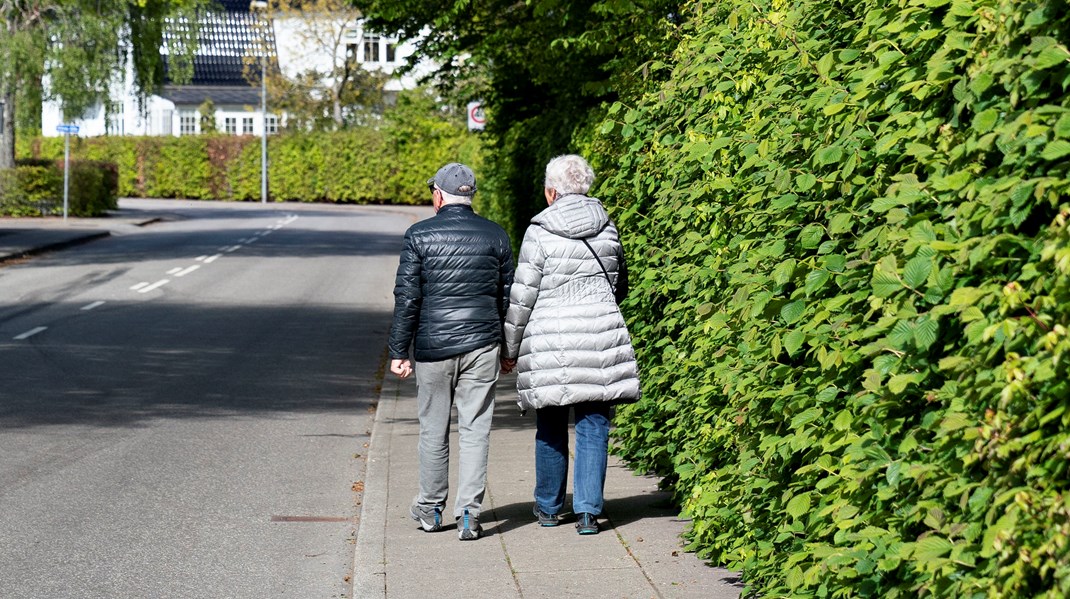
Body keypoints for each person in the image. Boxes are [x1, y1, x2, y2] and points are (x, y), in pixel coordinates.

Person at [501, 154, 641, 535]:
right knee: (594, 424)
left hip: (551, 340)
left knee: (549, 421)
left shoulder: (540, 230)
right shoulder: (608, 227)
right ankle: (587, 513)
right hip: (600, 334)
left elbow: (522, 297)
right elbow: (619, 285)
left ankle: (547, 508)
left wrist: (509, 349)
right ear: (586, 187)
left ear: (551, 192)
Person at [388, 162, 514, 541]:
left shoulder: (418, 236)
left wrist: (399, 349)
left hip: (433, 346)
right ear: (469, 195)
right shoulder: (496, 235)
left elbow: (408, 297)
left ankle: (429, 508)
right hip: (482, 344)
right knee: (476, 429)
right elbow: (508, 298)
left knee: (433, 429)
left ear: (439, 195)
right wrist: (509, 350)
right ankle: (469, 514)